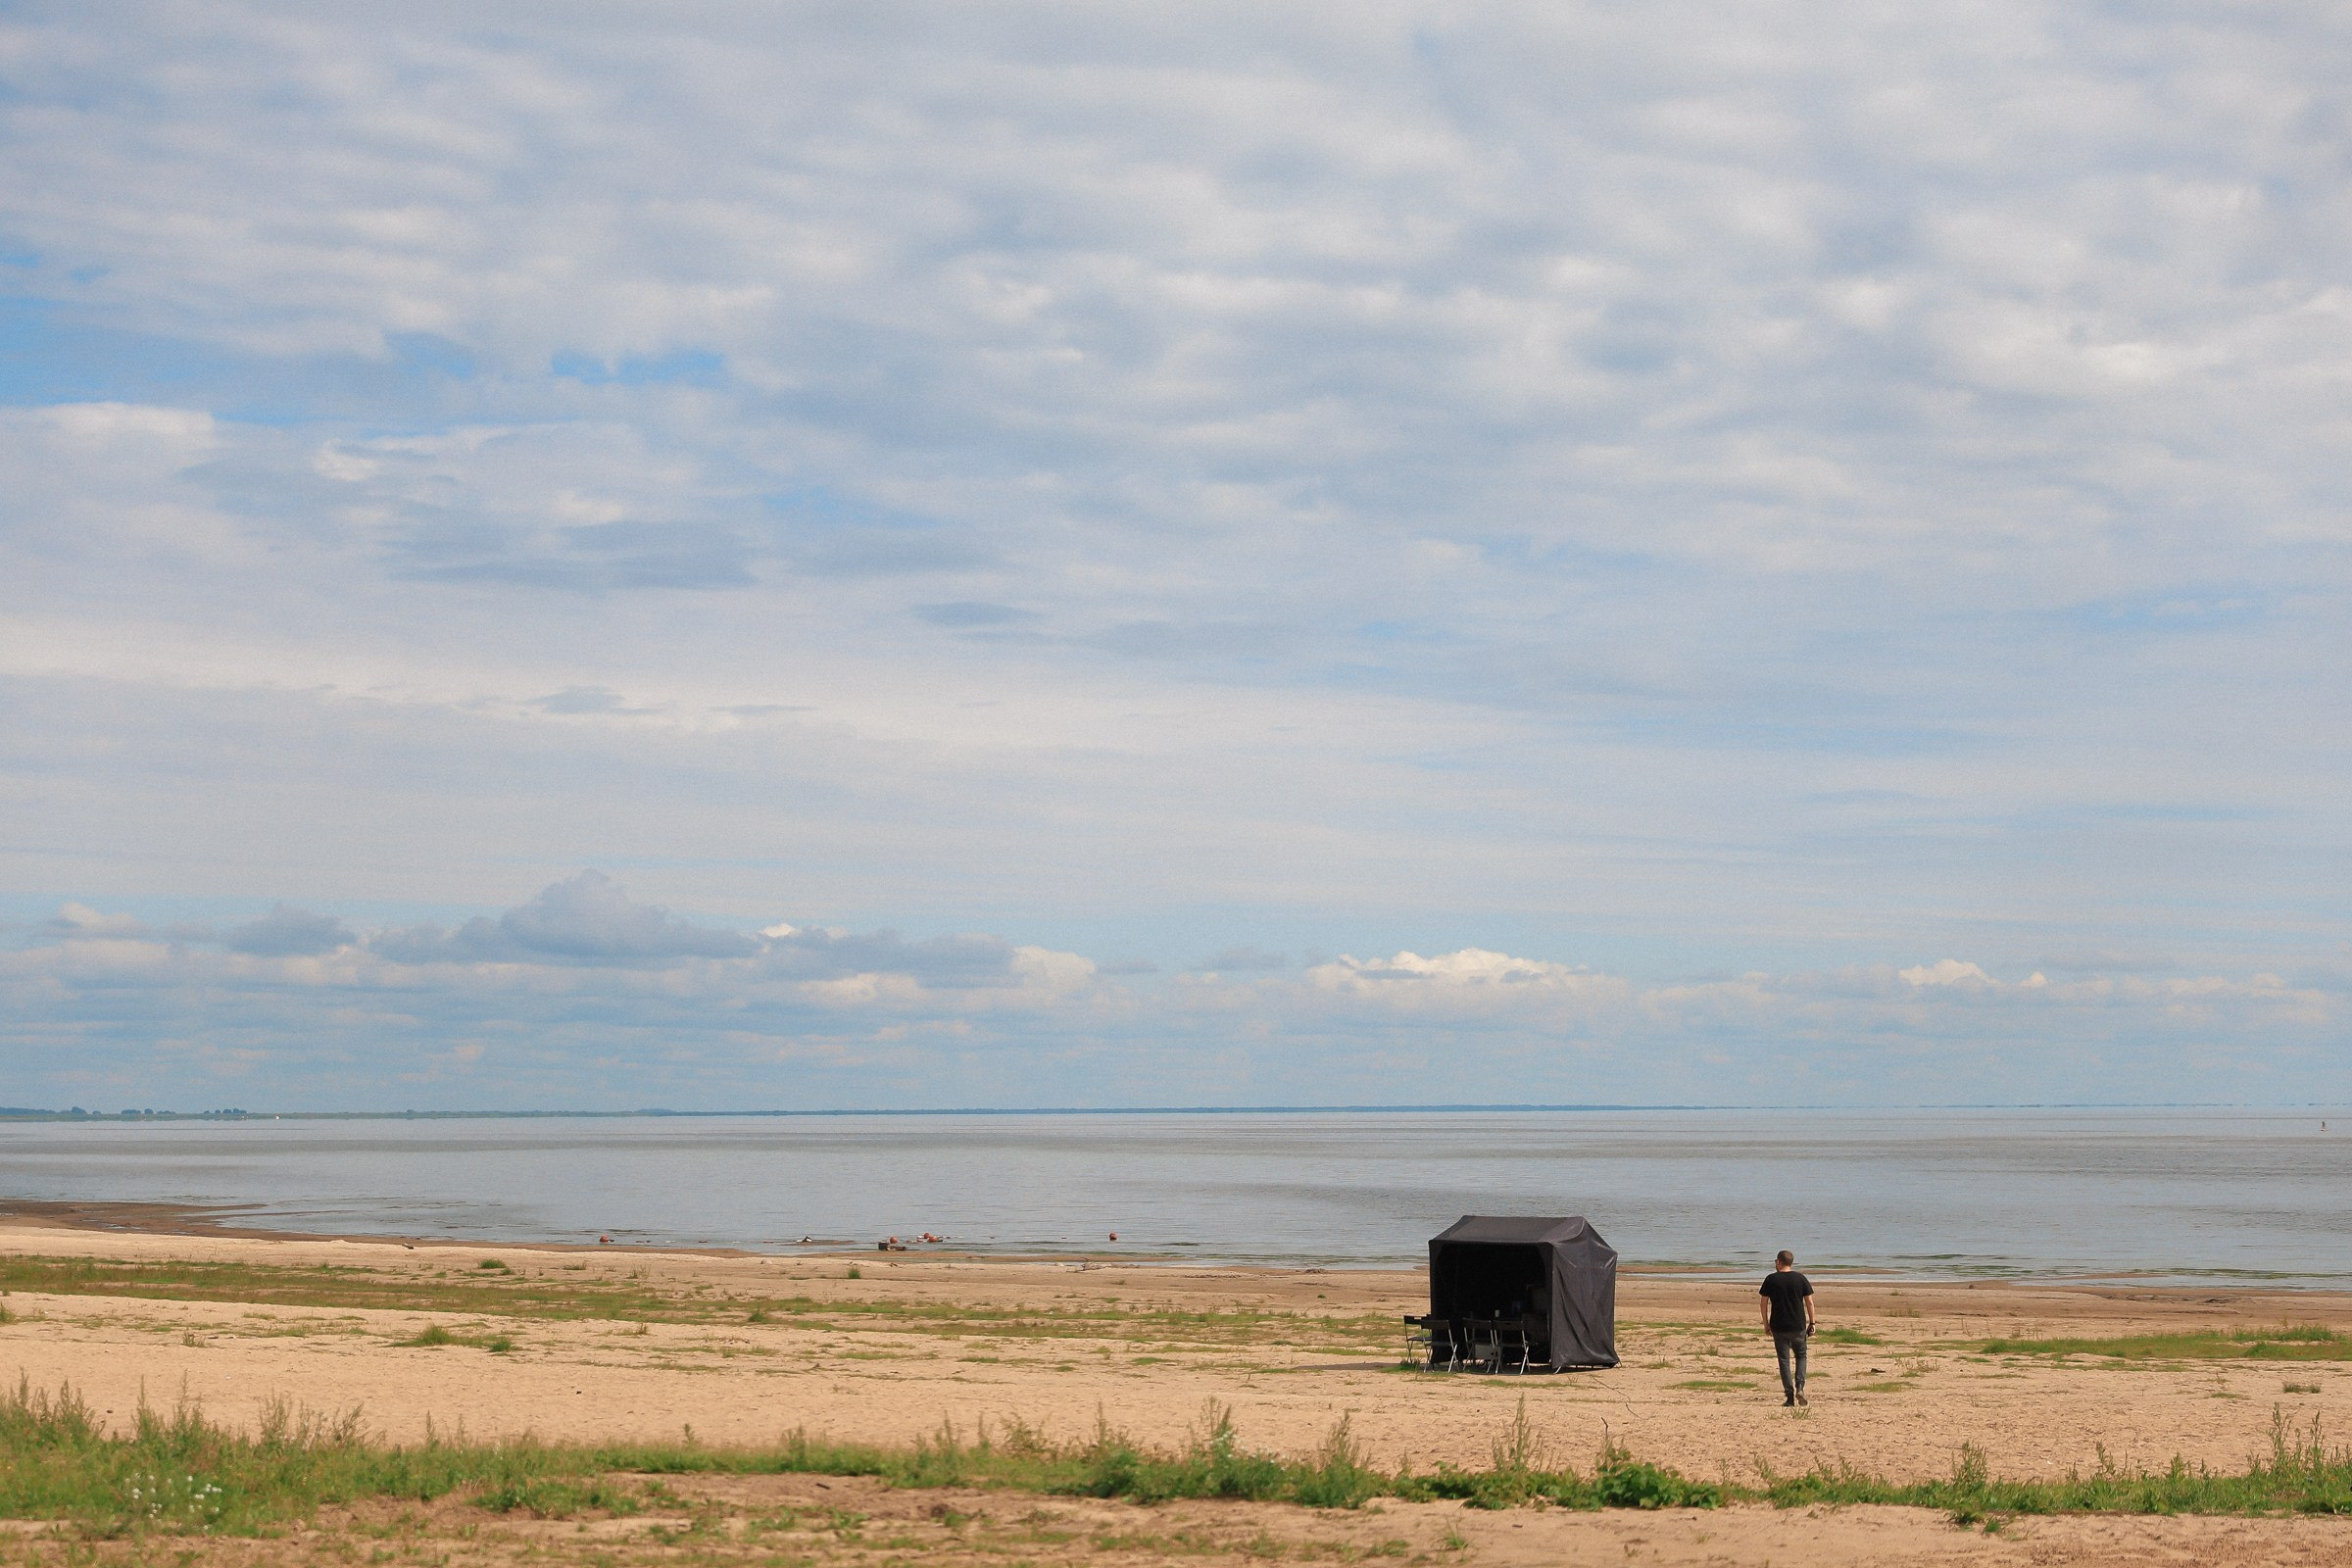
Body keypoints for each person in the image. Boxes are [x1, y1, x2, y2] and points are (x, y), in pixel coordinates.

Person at [1759, 1250, 1815, 1406]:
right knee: (1801, 1356)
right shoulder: (1800, 1278)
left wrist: (1766, 1323)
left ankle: (1789, 1397)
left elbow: (1763, 1303)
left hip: (1779, 1325)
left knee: (1784, 1360)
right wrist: (1812, 1323)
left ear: (1779, 1262)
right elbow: (1809, 1302)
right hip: (1798, 1325)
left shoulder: (1771, 1279)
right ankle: (1800, 1387)